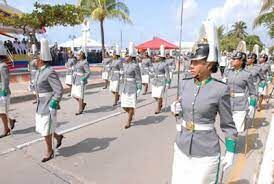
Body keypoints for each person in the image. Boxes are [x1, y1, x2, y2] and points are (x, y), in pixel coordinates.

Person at [170, 21, 237, 184]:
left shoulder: (220, 89)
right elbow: (183, 110)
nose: (190, 65)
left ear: (209, 64)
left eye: (195, 62)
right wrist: (176, 110)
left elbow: (228, 125)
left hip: (206, 152)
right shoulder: (185, 83)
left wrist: (230, 150)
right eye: (190, 61)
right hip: (182, 146)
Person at [34, 38, 64, 162]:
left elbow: (59, 90)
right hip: (40, 103)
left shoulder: (50, 71)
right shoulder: (39, 71)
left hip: (48, 104)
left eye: (36, 58)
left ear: (41, 59)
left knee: (46, 130)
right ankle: (58, 137)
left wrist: (54, 102)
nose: (34, 60)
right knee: (43, 127)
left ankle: (49, 151)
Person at [224, 50, 256, 133]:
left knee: (237, 129)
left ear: (241, 61)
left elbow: (253, 92)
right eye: (232, 59)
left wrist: (252, 105)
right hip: (228, 103)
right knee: (229, 129)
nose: (232, 61)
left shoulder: (247, 74)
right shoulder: (228, 72)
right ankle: (231, 145)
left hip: (240, 105)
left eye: (235, 59)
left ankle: (233, 144)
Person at [120, 42, 142, 129]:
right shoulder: (124, 65)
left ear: (131, 57)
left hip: (132, 87)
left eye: (126, 56)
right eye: (125, 56)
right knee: (124, 105)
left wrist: (139, 86)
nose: (125, 57)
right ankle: (131, 113)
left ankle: (128, 121)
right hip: (125, 86)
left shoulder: (135, 65)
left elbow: (138, 77)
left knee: (131, 104)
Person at [0, 42, 16, 138]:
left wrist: (4, 92)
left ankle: (6, 129)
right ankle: (10, 121)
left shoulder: (3, 66)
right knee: (2, 111)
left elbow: (5, 80)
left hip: (3, 92)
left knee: (2, 111)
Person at [151, 45, 170, 114]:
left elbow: (167, 73)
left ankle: (158, 108)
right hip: (155, 81)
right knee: (154, 95)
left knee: (159, 95)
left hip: (162, 81)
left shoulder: (165, 64)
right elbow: (153, 71)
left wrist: (168, 81)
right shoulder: (154, 64)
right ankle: (160, 102)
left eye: (157, 56)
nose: (155, 57)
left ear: (161, 58)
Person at [71, 51, 91, 115]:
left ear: (82, 55)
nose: (77, 56)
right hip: (75, 79)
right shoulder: (78, 62)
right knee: (73, 94)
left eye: (78, 55)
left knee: (80, 95)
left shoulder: (85, 62)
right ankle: (82, 104)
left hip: (81, 80)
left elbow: (88, 72)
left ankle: (80, 109)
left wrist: (84, 78)